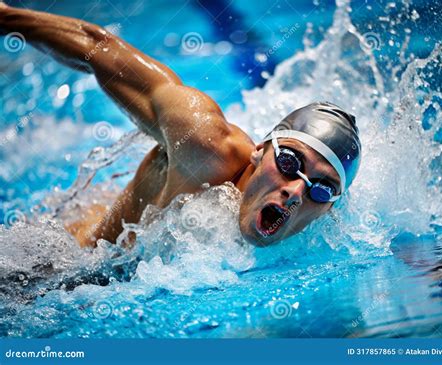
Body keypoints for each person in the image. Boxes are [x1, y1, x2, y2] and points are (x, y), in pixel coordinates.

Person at [0, 3, 361, 248]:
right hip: (71, 259)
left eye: (322, 189)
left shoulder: (325, 238)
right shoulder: (204, 145)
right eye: (288, 163)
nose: (296, 192)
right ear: (259, 151)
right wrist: (7, 19)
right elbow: (99, 48)